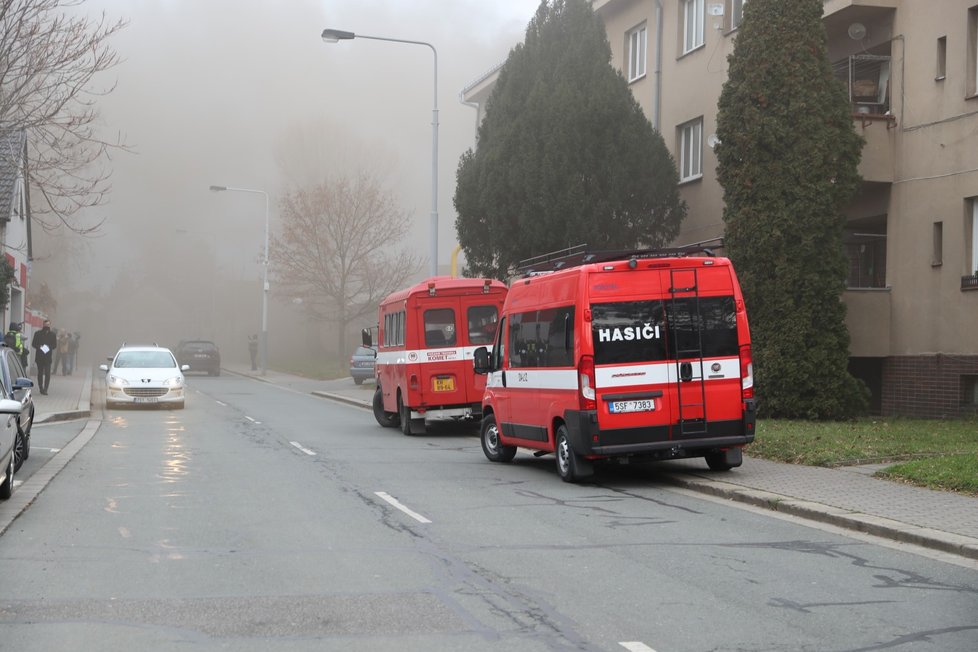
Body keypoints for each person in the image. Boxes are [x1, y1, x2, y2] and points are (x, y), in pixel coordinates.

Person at [32, 319, 57, 395]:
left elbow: (55, 345)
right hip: (39, 356)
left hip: (48, 357)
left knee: (47, 373)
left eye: (48, 325)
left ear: (50, 325)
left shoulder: (52, 335)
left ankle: (46, 389)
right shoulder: (37, 333)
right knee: (40, 373)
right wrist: (39, 346)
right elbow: (33, 344)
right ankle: (41, 388)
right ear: (43, 325)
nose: (47, 326)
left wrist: (49, 347)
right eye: (46, 325)